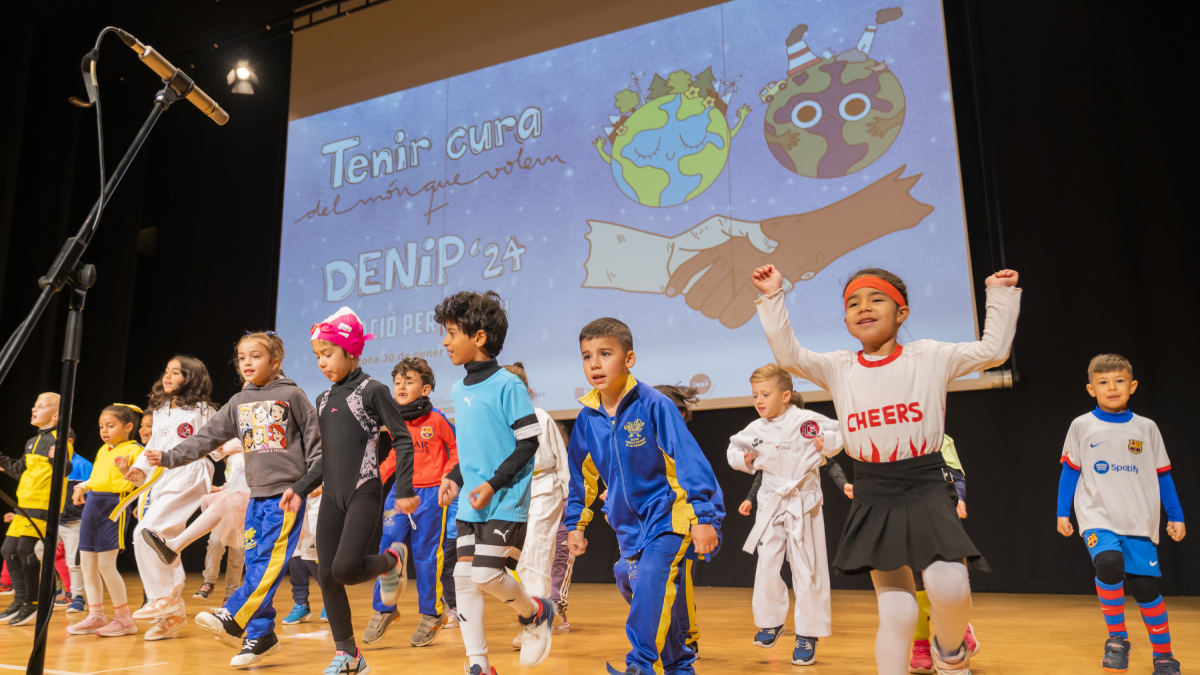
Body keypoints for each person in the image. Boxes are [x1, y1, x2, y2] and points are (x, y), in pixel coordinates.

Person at [752, 263, 1020, 675]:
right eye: (853, 303)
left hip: (926, 482)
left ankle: (950, 653)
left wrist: (998, 294)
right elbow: (789, 355)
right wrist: (772, 296)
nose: (864, 307)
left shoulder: (930, 355)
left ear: (902, 312)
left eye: (877, 299)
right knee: (896, 610)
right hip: (875, 489)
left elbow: (994, 351)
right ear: (845, 320)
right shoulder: (839, 366)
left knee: (948, 585)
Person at [138, 332, 322, 667]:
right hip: (256, 498)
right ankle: (261, 634)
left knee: (267, 564)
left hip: (287, 497)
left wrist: (308, 483)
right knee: (256, 564)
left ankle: (233, 614)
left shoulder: (293, 395)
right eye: (241, 357)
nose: (247, 363)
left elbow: (317, 446)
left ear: (275, 360)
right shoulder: (239, 401)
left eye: (255, 356)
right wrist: (168, 456)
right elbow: (205, 439)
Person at [564, 318, 725, 675]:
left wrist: (704, 517)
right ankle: (679, 664)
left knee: (652, 576)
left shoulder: (654, 404)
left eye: (605, 354)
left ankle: (639, 666)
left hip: (671, 514)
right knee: (628, 577)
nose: (595, 364)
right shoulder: (588, 419)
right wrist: (575, 523)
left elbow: (688, 460)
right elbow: (580, 477)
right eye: (587, 356)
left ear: (629, 358)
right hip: (628, 526)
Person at [279, 307, 416, 675]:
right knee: (326, 575)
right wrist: (301, 487)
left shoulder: (373, 390)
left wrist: (403, 488)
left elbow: (403, 441)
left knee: (344, 568)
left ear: (351, 351)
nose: (322, 362)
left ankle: (393, 561)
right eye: (317, 356)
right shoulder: (323, 400)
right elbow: (327, 458)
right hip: (331, 496)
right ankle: (349, 655)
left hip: (364, 491)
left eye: (328, 354)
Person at [433, 290, 555, 675]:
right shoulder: (456, 389)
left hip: (505, 500)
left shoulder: (508, 385)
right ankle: (479, 664)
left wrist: (493, 484)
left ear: (479, 337)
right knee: (464, 578)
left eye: (452, 332)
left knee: (486, 575)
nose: (445, 341)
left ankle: (535, 611)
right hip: (471, 501)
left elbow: (529, 443)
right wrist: (454, 478)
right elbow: (473, 450)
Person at [1057, 354, 1185, 675]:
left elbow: (1163, 474)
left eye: (1119, 381)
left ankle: (1164, 656)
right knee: (1109, 563)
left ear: (1132, 386)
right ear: (1091, 388)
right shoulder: (1082, 426)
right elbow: (1070, 473)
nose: (1111, 387)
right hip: (1097, 516)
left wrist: (1175, 515)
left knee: (1145, 590)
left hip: (1139, 521)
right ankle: (1117, 639)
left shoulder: (1147, 428)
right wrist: (1063, 512)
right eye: (1103, 382)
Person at [726, 364, 843, 665]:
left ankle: (807, 633)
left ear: (786, 395)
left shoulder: (806, 421)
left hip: (803, 501)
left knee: (806, 566)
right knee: (767, 563)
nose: (759, 401)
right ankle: (772, 621)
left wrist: (826, 444)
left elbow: (840, 431)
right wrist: (745, 459)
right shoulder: (756, 428)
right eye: (755, 396)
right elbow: (733, 449)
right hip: (771, 500)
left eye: (765, 394)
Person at [835, 434, 979, 673]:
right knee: (908, 592)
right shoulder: (876, 437)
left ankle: (955, 633)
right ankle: (921, 644)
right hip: (891, 510)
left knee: (946, 584)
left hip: (933, 508)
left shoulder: (937, 436)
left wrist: (958, 498)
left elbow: (955, 472)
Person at [120, 356, 219, 640]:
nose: (168, 376)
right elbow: (154, 445)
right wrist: (140, 467)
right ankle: (171, 614)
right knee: (155, 538)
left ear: (192, 379)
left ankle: (164, 597)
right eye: (167, 371)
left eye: (176, 372)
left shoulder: (203, 409)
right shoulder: (161, 408)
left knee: (147, 531)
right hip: (164, 477)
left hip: (191, 473)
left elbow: (220, 440)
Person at [364, 356, 458, 648]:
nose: (401, 386)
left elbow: (456, 451)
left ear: (426, 389)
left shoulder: (438, 419)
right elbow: (394, 456)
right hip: (400, 492)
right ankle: (385, 609)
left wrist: (447, 477)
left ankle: (433, 615)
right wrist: (374, 478)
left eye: (409, 381)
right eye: (397, 382)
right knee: (389, 549)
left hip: (431, 496)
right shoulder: (394, 421)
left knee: (425, 556)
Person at [505, 362, 570, 650]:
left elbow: (561, 460)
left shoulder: (541, 416)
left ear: (527, 391)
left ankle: (536, 625)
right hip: (514, 493)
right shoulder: (499, 422)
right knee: (513, 562)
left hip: (545, 488)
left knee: (537, 555)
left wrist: (569, 498)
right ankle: (531, 614)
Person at [65, 404, 145, 637]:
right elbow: (97, 477)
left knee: (105, 565)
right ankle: (96, 614)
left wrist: (126, 472)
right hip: (92, 505)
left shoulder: (136, 450)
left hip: (114, 507)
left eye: (111, 426)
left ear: (128, 427)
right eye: (102, 426)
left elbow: (141, 484)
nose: (105, 430)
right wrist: (82, 485)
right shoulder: (104, 450)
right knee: (87, 565)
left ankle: (124, 618)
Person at [0, 392, 74, 626]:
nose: (34, 409)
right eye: (34, 405)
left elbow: (65, 468)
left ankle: (33, 602)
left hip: (43, 505)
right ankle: (20, 600)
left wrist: (59, 457)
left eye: (40, 407)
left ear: (55, 415)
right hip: (24, 505)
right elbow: (21, 468)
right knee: (8, 550)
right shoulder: (32, 442)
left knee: (25, 549)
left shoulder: (61, 437)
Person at [653, 384, 705, 656]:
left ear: (681, 415)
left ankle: (688, 636)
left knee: (681, 582)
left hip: (681, 522)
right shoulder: (642, 442)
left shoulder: (685, 446)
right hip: (652, 525)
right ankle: (665, 638)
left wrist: (702, 521)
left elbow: (700, 486)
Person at [57, 450, 94, 613]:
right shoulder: (49, 462)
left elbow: (93, 491)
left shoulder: (83, 464)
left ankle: (78, 597)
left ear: (69, 442)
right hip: (52, 520)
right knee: (37, 550)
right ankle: (55, 589)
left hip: (74, 520)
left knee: (74, 561)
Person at [284, 486, 324, 625]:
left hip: (315, 508)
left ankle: (330, 599)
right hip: (291, 510)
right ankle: (301, 603)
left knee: (311, 556)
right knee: (294, 557)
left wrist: (322, 484)